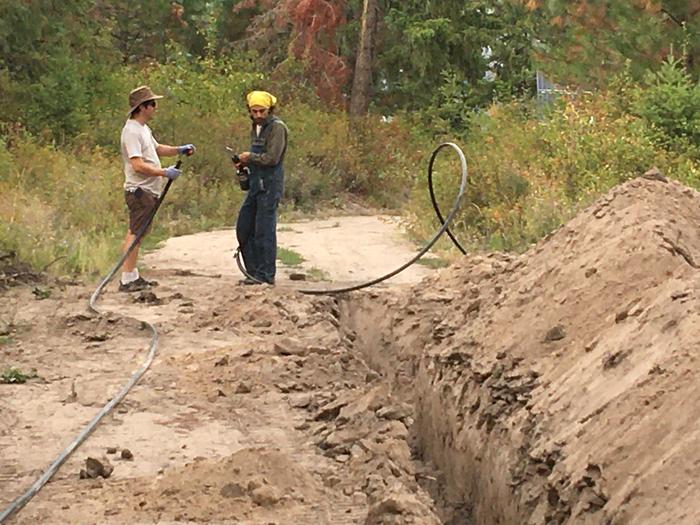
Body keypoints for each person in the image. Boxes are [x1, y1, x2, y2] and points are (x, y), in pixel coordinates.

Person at [119, 85, 196, 292]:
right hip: (139, 190)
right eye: (152, 104)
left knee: (141, 232)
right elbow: (137, 164)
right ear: (142, 107)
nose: (155, 107)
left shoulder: (143, 129)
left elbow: (157, 149)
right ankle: (126, 278)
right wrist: (164, 172)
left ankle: (132, 275)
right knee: (135, 232)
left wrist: (179, 149)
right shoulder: (131, 131)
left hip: (149, 191)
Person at [235, 90, 288, 285]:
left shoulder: (277, 128)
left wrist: (250, 157)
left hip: (270, 186)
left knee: (264, 231)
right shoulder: (256, 127)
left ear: (270, 110)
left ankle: (266, 275)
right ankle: (253, 272)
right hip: (256, 185)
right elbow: (259, 158)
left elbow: (272, 158)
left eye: (262, 111)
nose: (258, 115)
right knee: (244, 227)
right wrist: (244, 165)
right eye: (254, 111)